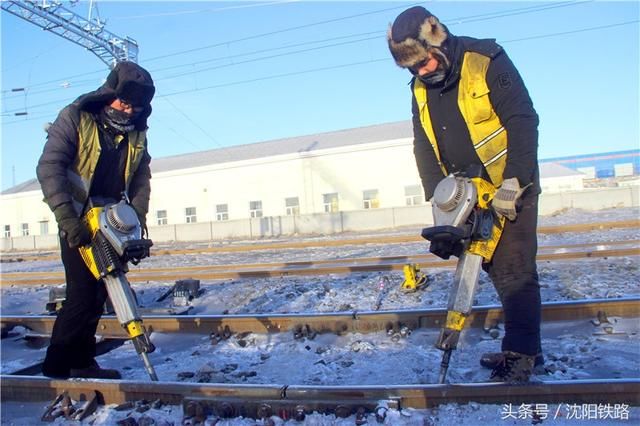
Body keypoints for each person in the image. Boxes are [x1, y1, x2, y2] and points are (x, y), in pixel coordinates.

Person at [387, 6, 542, 382]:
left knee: (515, 270)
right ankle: (524, 347)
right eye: (412, 68)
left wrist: (515, 181)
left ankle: (522, 356)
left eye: (423, 62)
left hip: (508, 185)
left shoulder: (485, 60)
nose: (420, 72)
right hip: (466, 193)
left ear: (437, 39)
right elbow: (423, 145)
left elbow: (523, 120)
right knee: (488, 267)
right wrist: (440, 205)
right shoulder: (420, 88)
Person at [37, 61, 155, 379]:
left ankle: (81, 360)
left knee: (101, 292)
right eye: (124, 102)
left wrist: (136, 223)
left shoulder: (137, 134)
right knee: (82, 293)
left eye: (137, 106)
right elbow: (49, 168)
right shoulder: (76, 117)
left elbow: (142, 179)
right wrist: (67, 219)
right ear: (109, 94)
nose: (129, 111)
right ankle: (58, 365)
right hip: (77, 220)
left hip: (111, 221)